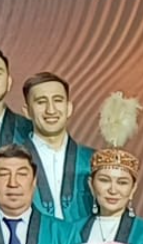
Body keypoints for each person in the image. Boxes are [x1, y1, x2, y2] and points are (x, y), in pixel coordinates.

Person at [23, 72, 94, 226]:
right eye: (41, 102)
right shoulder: (12, 162)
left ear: (69, 108)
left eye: (58, 100)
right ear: (27, 111)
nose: (51, 110)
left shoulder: (92, 160)